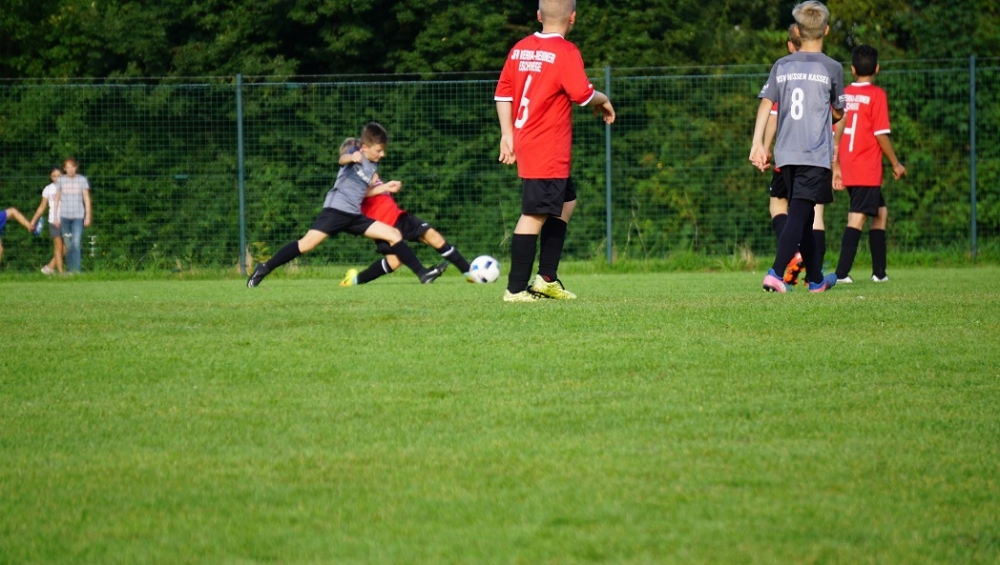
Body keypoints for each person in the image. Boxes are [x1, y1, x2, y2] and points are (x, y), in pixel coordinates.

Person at [494, 0, 615, 302]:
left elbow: (503, 93)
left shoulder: (520, 48)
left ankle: (546, 278)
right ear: (573, 18)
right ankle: (515, 289)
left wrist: (507, 134)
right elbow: (582, 95)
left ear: (538, 15)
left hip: (532, 141)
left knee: (566, 202)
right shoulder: (565, 51)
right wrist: (603, 99)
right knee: (534, 215)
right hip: (546, 146)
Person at [247, 122, 444, 288]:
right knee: (307, 244)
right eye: (379, 150)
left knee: (394, 234)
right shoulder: (355, 151)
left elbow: (364, 192)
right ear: (365, 147)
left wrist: (385, 187)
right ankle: (264, 267)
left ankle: (423, 274)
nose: (382, 154)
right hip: (336, 211)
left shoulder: (373, 165)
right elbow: (342, 159)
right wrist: (352, 157)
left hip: (354, 215)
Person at [749, 0, 844, 293]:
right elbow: (838, 112)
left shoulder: (782, 65)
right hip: (814, 154)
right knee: (801, 212)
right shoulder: (832, 67)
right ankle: (776, 273)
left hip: (786, 154)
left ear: (798, 32)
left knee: (804, 216)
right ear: (826, 30)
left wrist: (757, 143)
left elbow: (767, 103)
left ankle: (815, 279)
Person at [339, 138, 472, 286]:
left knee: (429, 238)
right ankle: (355, 280)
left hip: (396, 216)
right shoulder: (352, 174)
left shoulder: (366, 169)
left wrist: (384, 185)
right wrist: (384, 186)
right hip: (382, 224)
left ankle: (469, 272)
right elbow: (358, 193)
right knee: (395, 260)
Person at [832, 45, 906, 283]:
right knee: (857, 217)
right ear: (877, 68)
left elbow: (834, 130)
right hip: (866, 167)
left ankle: (879, 273)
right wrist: (895, 163)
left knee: (880, 212)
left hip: (848, 164)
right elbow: (880, 134)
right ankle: (841, 274)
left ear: (853, 70)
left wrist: (836, 166)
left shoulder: (843, 94)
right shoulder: (876, 95)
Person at [761, 25, 805, 286]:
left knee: (778, 203)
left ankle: (794, 253)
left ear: (790, 45)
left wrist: (765, 146)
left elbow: (773, 114)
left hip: (787, 153)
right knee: (810, 211)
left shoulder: (784, 70)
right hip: (815, 156)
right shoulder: (824, 69)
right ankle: (815, 274)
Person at [52, 157, 91, 274]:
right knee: (68, 244)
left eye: (72, 167)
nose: (70, 169)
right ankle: (70, 270)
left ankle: (77, 270)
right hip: (64, 217)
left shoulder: (82, 180)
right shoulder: (61, 181)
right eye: (68, 167)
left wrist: (88, 216)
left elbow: (86, 198)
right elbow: (57, 199)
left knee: (76, 242)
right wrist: (55, 216)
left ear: (76, 168)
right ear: (64, 169)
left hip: (78, 217)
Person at [29, 167, 65, 275]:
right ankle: (61, 273)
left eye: (59, 176)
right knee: (58, 247)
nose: (56, 178)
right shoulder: (48, 189)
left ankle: (49, 268)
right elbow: (42, 207)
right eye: (54, 176)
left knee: (69, 247)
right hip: (54, 221)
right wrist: (33, 221)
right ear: (51, 177)